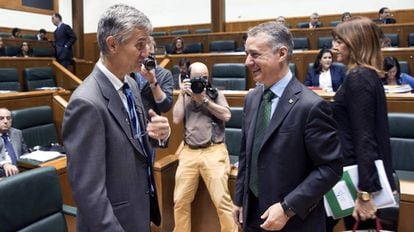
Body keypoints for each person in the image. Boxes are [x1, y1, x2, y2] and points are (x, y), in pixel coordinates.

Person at [62, 4, 171, 231]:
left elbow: (133, 143)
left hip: (137, 213)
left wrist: (158, 135)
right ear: (113, 44)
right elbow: (88, 193)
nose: (146, 53)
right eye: (139, 45)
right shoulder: (86, 103)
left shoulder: (130, 83)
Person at [232, 21, 342, 232]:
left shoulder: (311, 106)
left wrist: (288, 207)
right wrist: (239, 200)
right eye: (247, 54)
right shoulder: (252, 99)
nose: (247, 62)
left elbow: (330, 168)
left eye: (254, 55)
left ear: (281, 53)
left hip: (293, 220)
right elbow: (247, 154)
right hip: (252, 213)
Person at [330, 16, 397, 231]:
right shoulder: (364, 75)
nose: (334, 47)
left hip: (360, 180)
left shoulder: (359, 77)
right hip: (357, 175)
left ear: (354, 42)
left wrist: (365, 192)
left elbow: (365, 136)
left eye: (339, 41)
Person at [172, 62, 237, 232]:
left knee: (222, 201)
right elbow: (176, 119)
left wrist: (205, 101)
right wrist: (181, 94)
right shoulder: (185, 95)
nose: (201, 81)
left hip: (213, 150)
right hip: (189, 152)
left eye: (205, 77)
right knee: (180, 201)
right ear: (189, 78)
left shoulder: (215, 94)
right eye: (197, 78)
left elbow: (227, 115)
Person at [133, 36, 174, 115]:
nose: (145, 59)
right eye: (142, 56)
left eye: (150, 55)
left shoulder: (164, 74)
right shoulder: (130, 71)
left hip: (152, 122)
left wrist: (153, 81)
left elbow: (165, 107)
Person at [0, 108, 29, 177]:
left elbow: (25, 152)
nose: (5, 121)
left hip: (20, 170)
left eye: (8, 118)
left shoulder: (17, 133)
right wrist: (5, 164)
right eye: (1, 118)